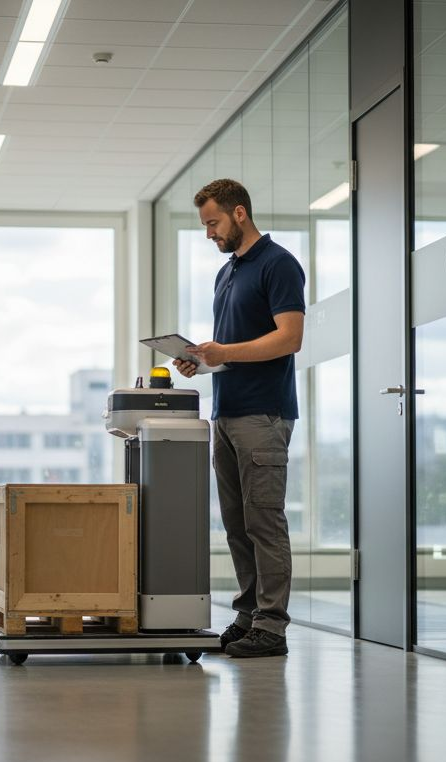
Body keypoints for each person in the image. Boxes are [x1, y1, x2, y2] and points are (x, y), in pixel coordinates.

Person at [173, 178, 305, 658]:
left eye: (213, 222)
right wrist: (202, 361)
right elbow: (233, 349)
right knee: (236, 523)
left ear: (240, 214)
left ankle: (272, 627)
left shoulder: (279, 264)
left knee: (264, 522)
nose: (209, 233)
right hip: (227, 410)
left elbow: (289, 338)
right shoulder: (227, 273)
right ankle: (249, 615)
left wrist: (223, 350)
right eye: (205, 224)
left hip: (263, 414)